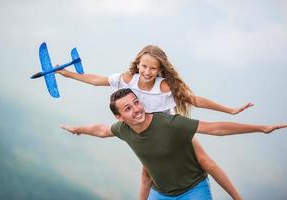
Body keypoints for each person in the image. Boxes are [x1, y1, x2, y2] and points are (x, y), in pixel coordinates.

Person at [57, 45, 253, 199]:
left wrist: (229, 110)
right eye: (144, 66)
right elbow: (95, 80)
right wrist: (68, 74)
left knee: (205, 162)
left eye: (153, 68)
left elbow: (195, 100)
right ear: (137, 65)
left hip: (171, 131)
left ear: (160, 70)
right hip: (146, 133)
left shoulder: (164, 86)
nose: (147, 72)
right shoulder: (128, 79)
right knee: (147, 173)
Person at [61, 88, 287, 200]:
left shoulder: (169, 123)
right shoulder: (123, 130)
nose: (136, 110)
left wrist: (261, 128)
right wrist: (79, 129)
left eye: (136, 103)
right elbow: (100, 130)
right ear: (119, 117)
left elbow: (215, 128)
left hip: (194, 191)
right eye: (127, 109)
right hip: (160, 194)